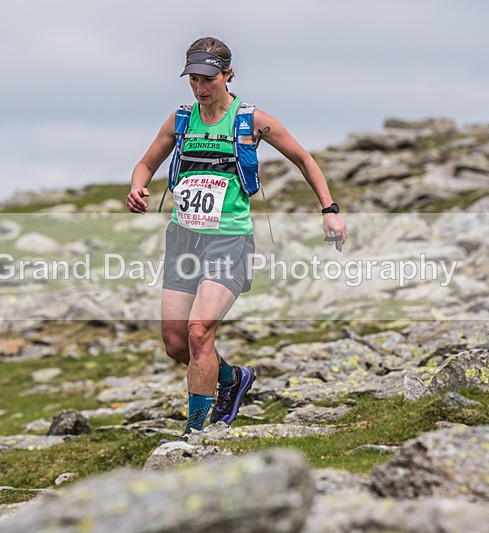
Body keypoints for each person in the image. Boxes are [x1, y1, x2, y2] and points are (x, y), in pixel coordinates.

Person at [127, 36, 347, 436]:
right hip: (182, 240)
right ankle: (230, 379)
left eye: (208, 78)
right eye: (193, 78)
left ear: (228, 75)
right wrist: (137, 186)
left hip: (229, 241)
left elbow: (303, 158)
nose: (200, 87)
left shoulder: (252, 119)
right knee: (177, 343)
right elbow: (145, 162)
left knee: (199, 332)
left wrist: (329, 210)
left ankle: (195, 433)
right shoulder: (179, 120)